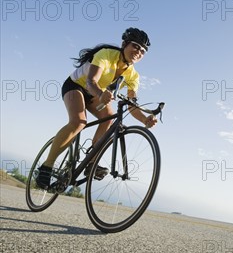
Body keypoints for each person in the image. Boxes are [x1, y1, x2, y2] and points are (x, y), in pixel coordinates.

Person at [35, 27, 157, 189]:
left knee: (109, 119)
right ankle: (46, 167)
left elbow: (131, 104)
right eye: (135, 46)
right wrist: (101, 94)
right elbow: (91, 82)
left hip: (95, 96)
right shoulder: (106, 55)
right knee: (79, 122)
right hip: (76, 86)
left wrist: (144, 119)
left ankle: (91, 163)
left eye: (143, 51)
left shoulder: (133, 76)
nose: (138, 52)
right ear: (124, 44)